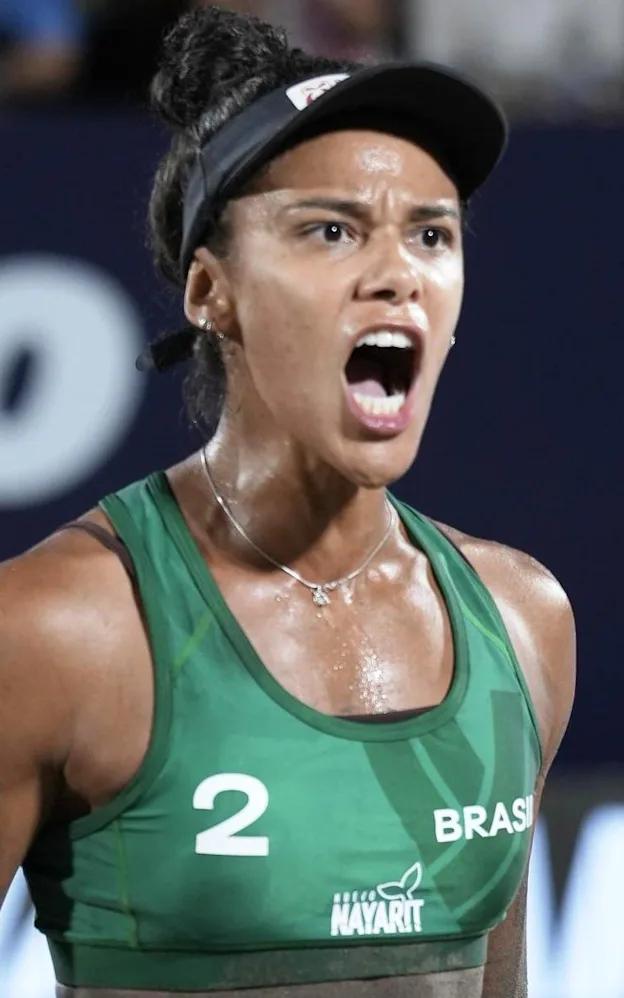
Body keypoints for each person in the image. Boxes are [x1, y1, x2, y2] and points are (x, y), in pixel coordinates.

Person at [0, 5, 575, 997]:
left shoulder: (523, 619)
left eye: (431, 233)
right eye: (331, 229)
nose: (397, 275)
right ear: (209, 291)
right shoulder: (59, 628)